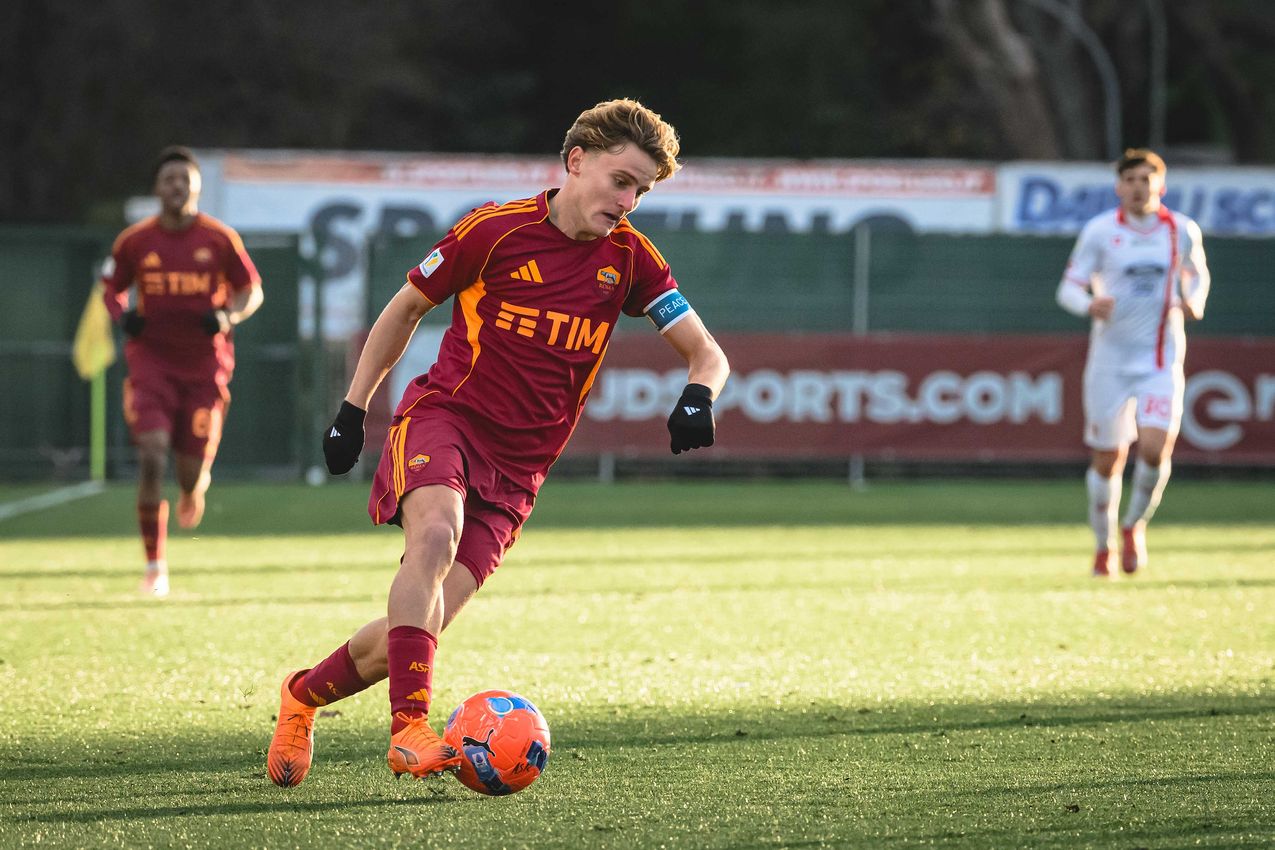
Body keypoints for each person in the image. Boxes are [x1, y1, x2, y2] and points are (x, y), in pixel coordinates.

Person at [266, 98, 729, 788]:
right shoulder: (495, 231)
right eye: (621, 180)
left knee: (410, 637)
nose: (629, 201)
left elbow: (708, 354)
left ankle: (301, 696)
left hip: (519, 471)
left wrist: (698, 395)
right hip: (447, 418)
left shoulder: (630, 261)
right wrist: (353, 408)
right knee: (435, 536)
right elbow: (406, 307)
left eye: (641, 190)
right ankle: (410, 729)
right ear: (577, 161)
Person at [102, 146, 264, 597]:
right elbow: (111, 288)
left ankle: (194, 488)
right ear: (157, 188)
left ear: (197, 187)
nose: (177, 186)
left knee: (189, 472)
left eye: (184, 179)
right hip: (151, 363)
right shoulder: (134, 241)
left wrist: (229, 315)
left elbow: (251, 290)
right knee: (152, 454)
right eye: (169, 179)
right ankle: (155, 566)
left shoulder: (219, 238)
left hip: (204, 368)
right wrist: (122, 315)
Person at [1056, 148, 1210, 578]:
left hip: (1160, 358)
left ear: (1161, 185)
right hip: (1110, 362)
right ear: (1118, 187)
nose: (1138, 188)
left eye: (1146, 179)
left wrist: (1195, 299)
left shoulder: (1181, 230)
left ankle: (1134, 526)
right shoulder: (1100, 232)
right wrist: (1089, 304)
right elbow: (1067, 288)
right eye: (1130, 180)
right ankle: (1102, 546)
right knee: (1108, 459)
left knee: (1155, 450)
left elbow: (1197, 273)